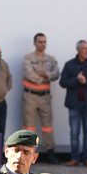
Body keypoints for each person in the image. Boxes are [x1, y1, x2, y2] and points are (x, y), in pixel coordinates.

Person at [59, 40, 87, 167]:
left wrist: (86, 81)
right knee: (74, 133)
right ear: (77, 49)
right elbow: (63, 82)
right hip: (74, 104)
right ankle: (74, 158)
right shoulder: (70, 65)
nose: (86, 51)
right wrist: (77, 80)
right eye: (83, 48)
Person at [21, 33, 61, 164]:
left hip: (45, 97)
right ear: (34, 43)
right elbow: (29, 74)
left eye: (44, 42)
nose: (42, 44)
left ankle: (50, 152)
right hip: (30, 96)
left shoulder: (51, 59)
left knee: (47, 126)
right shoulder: (28, 57)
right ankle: (27, 153)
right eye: (40, 42)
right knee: (29, 127)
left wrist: (43, 73)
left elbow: (56, 74)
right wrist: (44, 78)